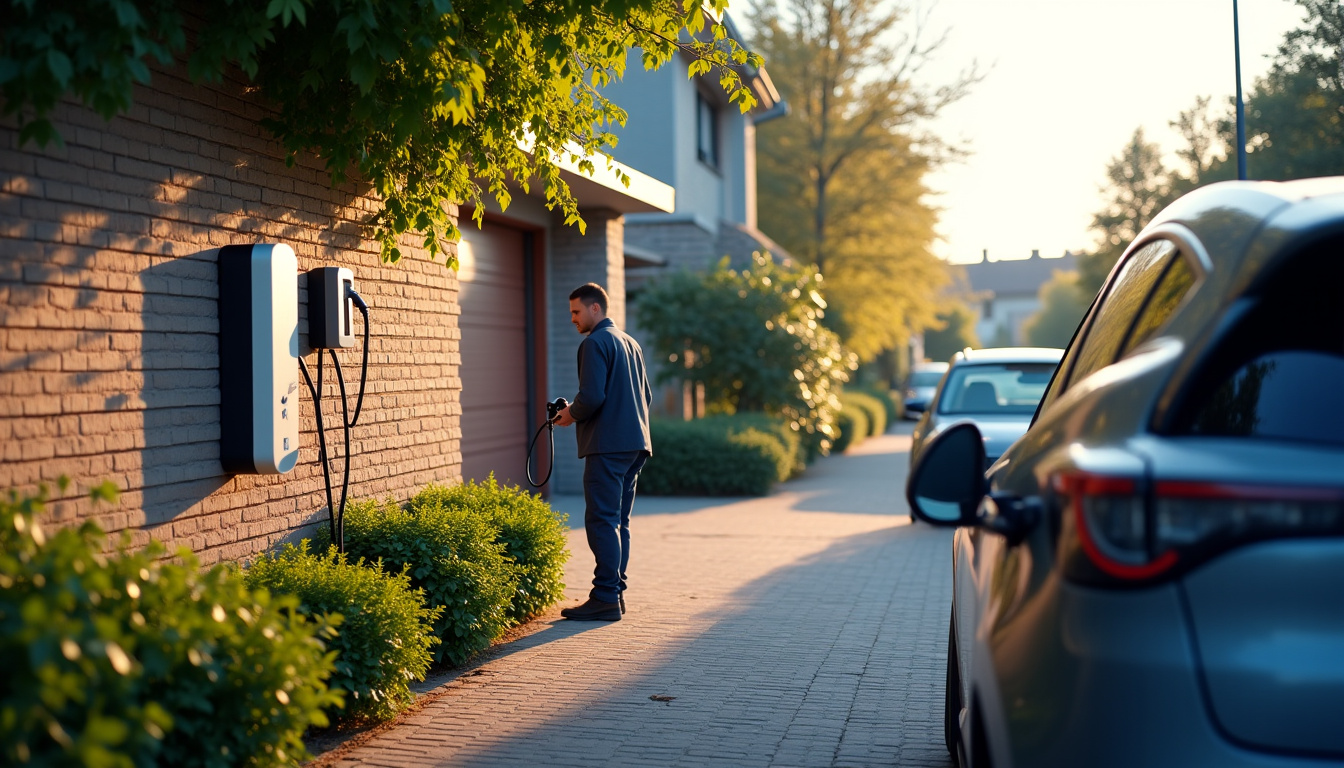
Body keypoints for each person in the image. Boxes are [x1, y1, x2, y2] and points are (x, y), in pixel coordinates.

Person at [552, 283, 653, 621]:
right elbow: (646, 397)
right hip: (636, 445)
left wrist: (569, 414)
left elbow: (592, 397)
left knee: (601, 520)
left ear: (596, 309)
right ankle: (614, 593)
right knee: (618, 521)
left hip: (608, 447)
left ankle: (606, 597)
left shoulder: (594, 343)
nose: (573, 319)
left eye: (576, 312)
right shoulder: (631, 343)